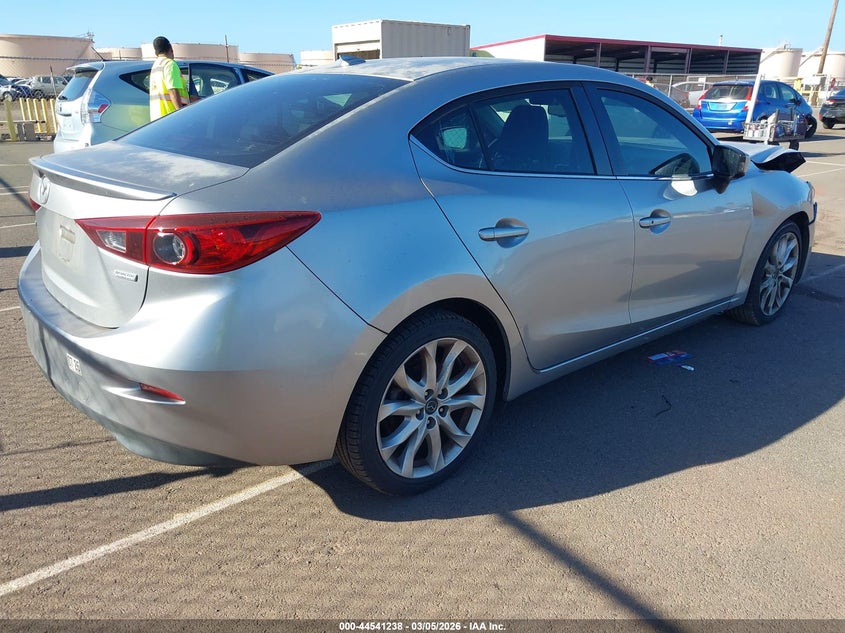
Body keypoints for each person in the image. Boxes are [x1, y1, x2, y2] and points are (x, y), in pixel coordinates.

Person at [149, 36, 188, 120]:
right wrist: (181, 114)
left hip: (157, 119)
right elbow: (173, 91)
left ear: (156, 51)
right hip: (171, 117)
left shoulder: (156, 65)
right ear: (171, 48)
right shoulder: (170, 64)